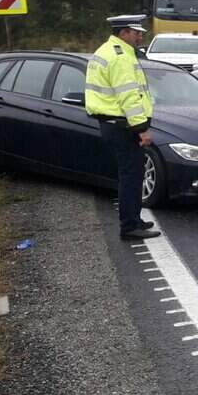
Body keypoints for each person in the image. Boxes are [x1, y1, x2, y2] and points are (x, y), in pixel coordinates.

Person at [85, 15, 159, 240]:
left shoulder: (107, 51)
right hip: (123, 126)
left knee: (132, 175)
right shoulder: (120, 58)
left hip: (113, 124)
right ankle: (129, 226)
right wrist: (142, 129)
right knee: (131, 176)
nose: (140, 37)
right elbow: (129, 97)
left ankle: (134, 219)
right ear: (124, 33)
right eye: (137, 33)